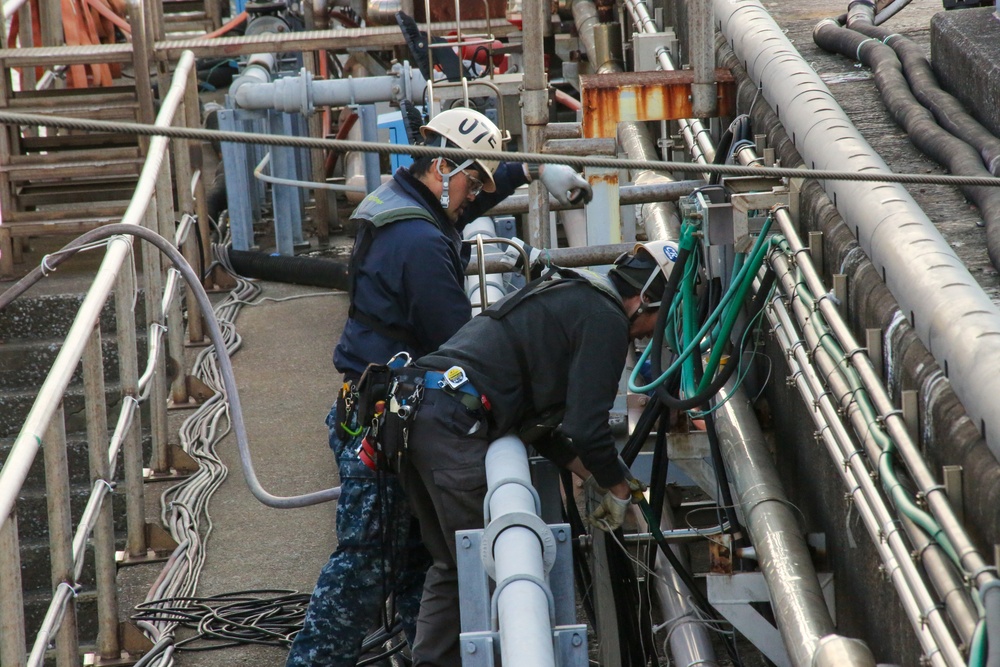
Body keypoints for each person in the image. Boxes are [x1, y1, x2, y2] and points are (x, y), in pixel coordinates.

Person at [286, 106, 593, 667]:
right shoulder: (421, 244)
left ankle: (420, 656)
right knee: (365, 566)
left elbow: (460, 204)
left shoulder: (403, 198)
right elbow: (459, 346)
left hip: (373, 406)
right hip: (383, 424)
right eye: (471, 181)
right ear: (444, 166)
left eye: (480, 184)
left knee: (413, 559)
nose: (473, 197)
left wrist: (524, 171)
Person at [396, 243, 676, 667]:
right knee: (489, 572)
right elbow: (586, 426)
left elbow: (538, 426)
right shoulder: (606, 319)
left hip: (420, 412)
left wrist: (603, 475)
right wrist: (620, 488)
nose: (652, 333)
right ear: (647, 299)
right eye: (660, 319)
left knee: (455, 567)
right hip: (454, 425)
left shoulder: (570, 291)